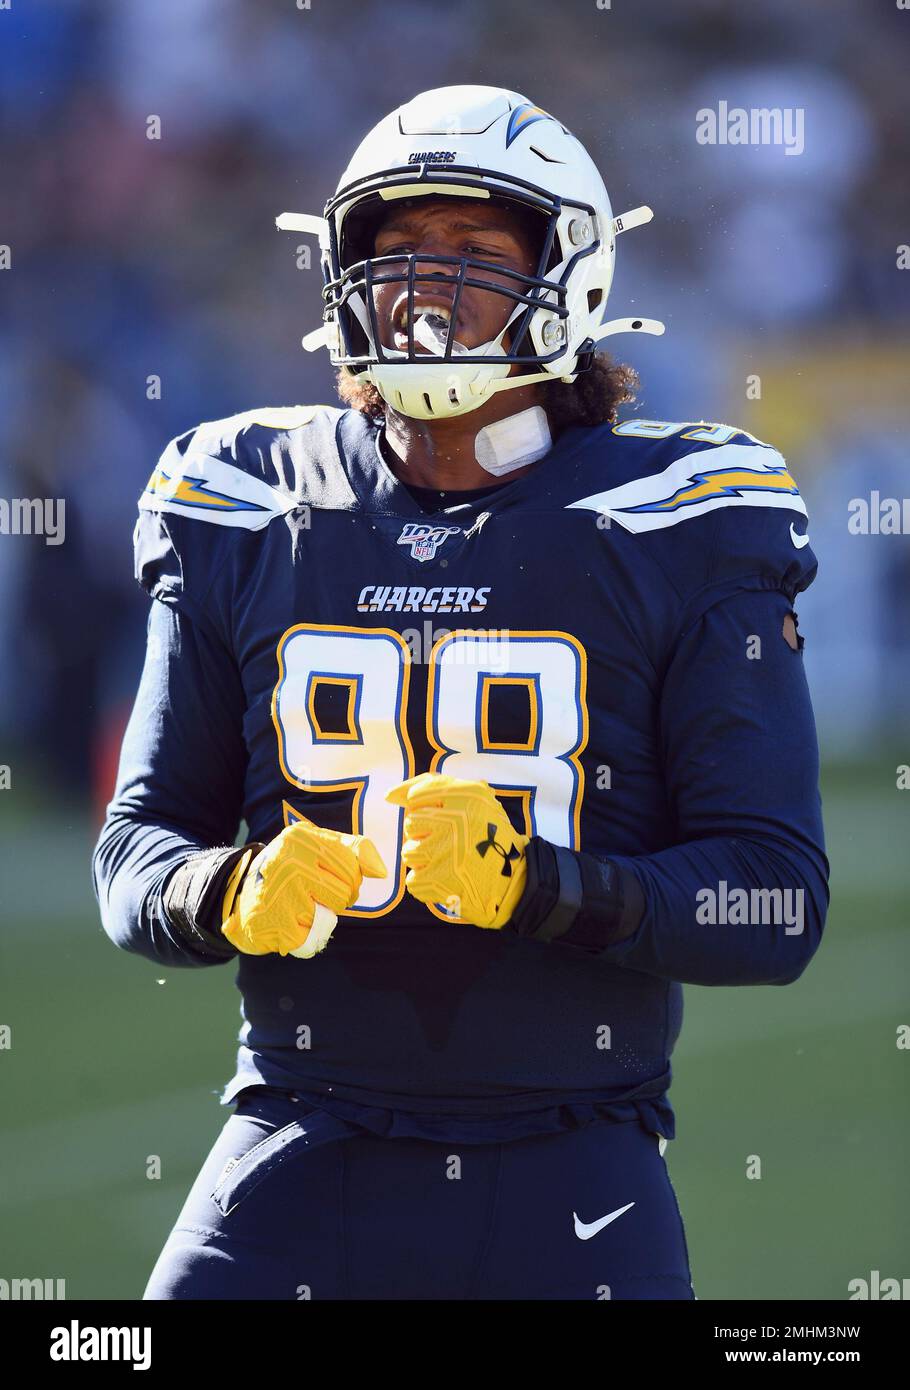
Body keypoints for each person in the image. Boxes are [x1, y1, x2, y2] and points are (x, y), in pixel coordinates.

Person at [93, 84, 828, 1301]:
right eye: (397, 251)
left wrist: (542, 886)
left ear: (570, 276)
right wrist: (227, 888)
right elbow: (134, 852)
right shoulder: (244, 496)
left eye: (478, 254)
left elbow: (774, 899)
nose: (428, 288)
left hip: (569, 1165)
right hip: (295, 1138)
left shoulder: (675, 516)